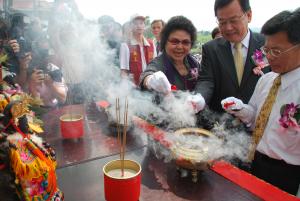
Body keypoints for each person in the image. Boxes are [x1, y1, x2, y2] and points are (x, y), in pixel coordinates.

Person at [221, 8, 300, 195]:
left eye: (277, 51)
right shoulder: (267, 80)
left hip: (287, 174)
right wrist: (240, 108)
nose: (269, 57)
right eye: (267, 50)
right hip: (256, 162)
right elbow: (256, 115)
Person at [195, 0, 270, 113]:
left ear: (249, 15)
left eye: (234, 20)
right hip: (221, 123)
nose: (228, 28)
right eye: (222, 22)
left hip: (258, 119)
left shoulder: (267, 44)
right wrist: (199, 98)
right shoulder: (210, 49)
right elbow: (206, 80)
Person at [140, 16, 205, 113]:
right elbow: (147, 74)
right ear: (165, 42)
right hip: (166, 120)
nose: (179, 47)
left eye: (185, 42)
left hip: (193, 116)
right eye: (174, 41)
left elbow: (204, 81)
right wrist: (150, 80)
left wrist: (200, 97)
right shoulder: (159, 62)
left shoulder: (193, 63)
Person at [119, 14, 156, 85]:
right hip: (134, 87)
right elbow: (124, 71)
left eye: (141, 23)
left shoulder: (151, 44)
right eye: (135, 24)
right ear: (131, 27)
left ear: (144, 26)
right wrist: (125, 89)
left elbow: (155, 66)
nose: (139, 26)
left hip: (150, 85)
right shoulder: (125, 45)